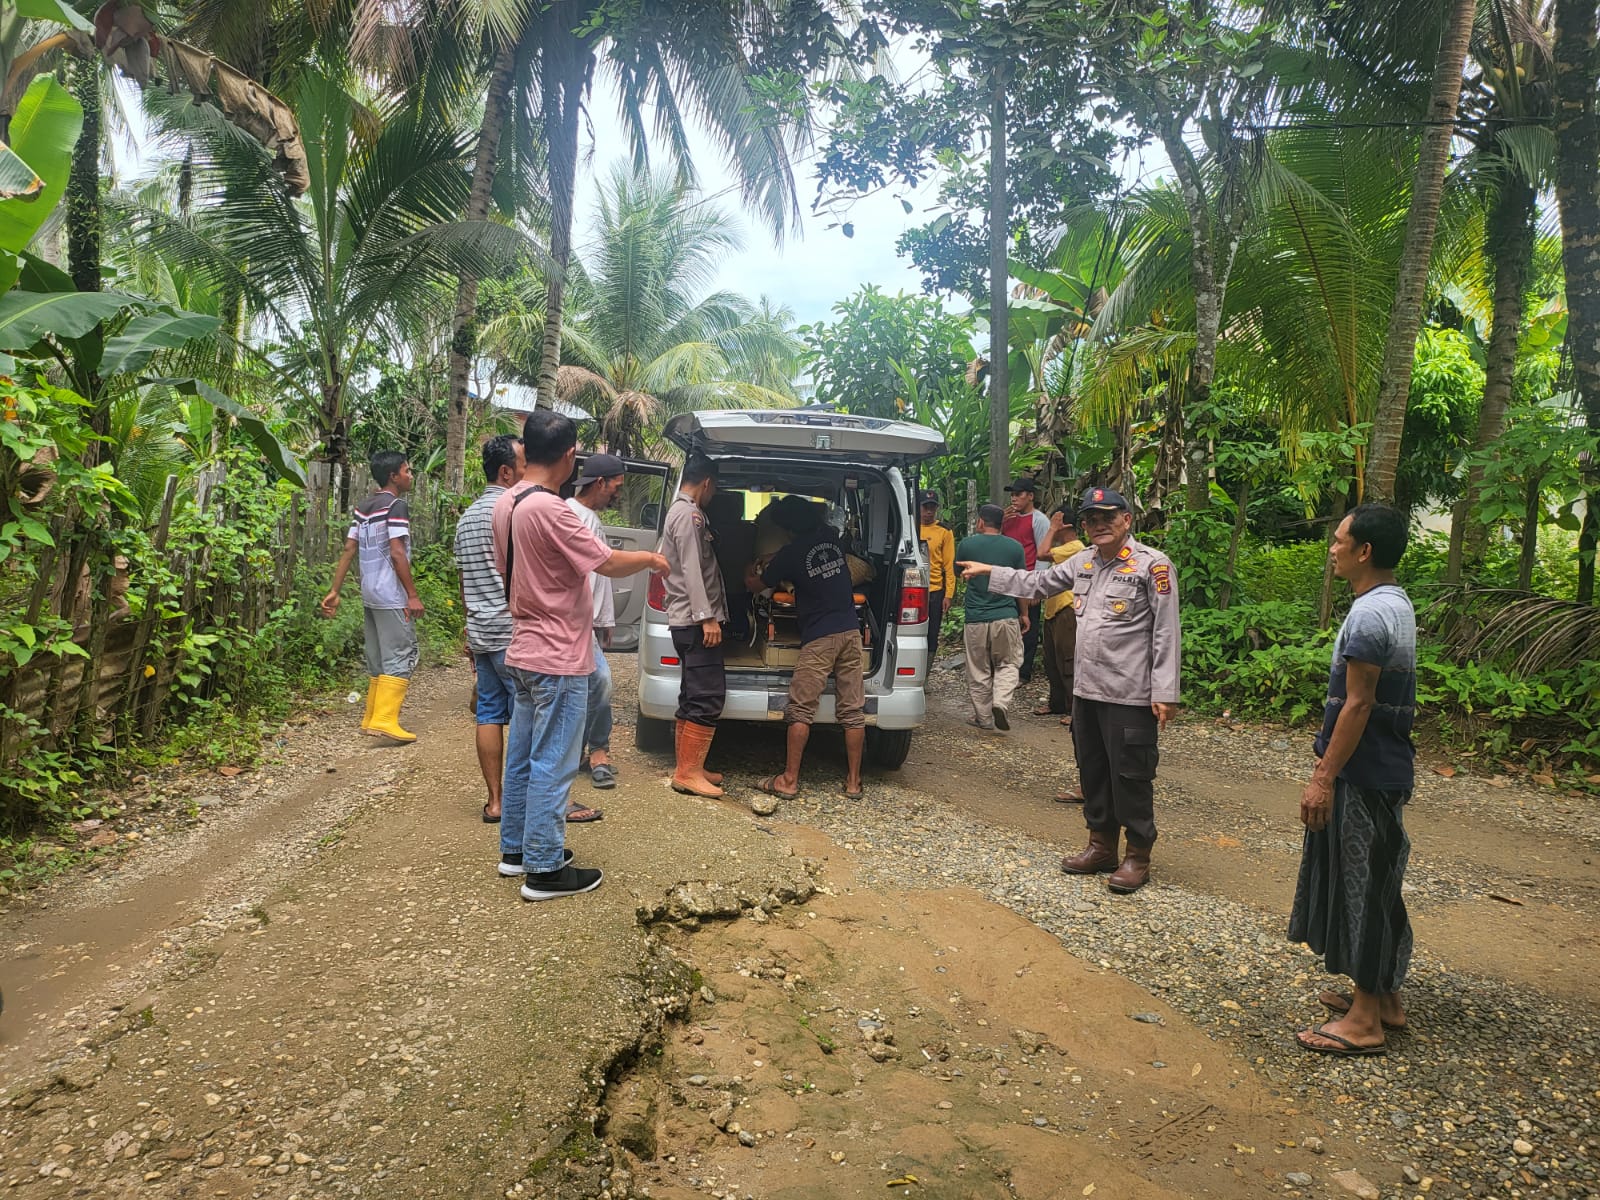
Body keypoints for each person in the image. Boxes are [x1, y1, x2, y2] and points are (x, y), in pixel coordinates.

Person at [958, 487, 1179, 894]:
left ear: (1126, 520)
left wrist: (1164, 691)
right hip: (1087, 691)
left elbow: (1166, 632)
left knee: (1130, 774)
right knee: (1092, 770)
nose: (1099, 525)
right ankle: (1101, 846)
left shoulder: (1153, 566)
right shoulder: (1082, 562)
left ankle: (1137, 855)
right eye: (1092, 519)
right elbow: (1038, 583)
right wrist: (990, 572)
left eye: (1107, 517)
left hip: (1129, 694)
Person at [493, 411, 667, 902]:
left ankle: (517, 852)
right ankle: (545, 869)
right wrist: (653, 558)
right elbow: (607, 563)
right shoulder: (554, 510)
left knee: (524, 756)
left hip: (523, 647)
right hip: (558, 656)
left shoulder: (506, 503)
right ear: (570, 455)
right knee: (555, 761)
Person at [1289, 504, 1417, 1056]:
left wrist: (1323, 777)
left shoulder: (1368, 615)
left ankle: (1365, 1022)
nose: (1333, 547)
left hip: (1364, 773)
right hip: (1385, 768)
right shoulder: (1394, 602)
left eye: (1340, 540)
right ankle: (1384, 998)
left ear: (1365, 551)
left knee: (1362, 885)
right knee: (1379, 880)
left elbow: (1359, 705)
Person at [746, 497, 867, 803]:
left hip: (820, 638)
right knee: (852, 711)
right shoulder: (829, 538)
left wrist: (747, 569)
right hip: (851, 631)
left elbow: (757, 584)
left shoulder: (789, 555)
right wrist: (780, 555)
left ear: (786, 528)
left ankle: (788, 781)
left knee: (801, 709)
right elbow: (807, 555)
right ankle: (854, 783)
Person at [321, 450, 424, 743]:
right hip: (391, 593)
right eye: (407, 471)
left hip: (370, 591)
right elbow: (396, 550)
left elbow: (348, 550)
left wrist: (334, 590)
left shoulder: (364, 507)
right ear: (394, 476)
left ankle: (371, 717)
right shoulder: (396, 506)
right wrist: (412, 594)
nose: (410, 475)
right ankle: (385, 720)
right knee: (401, 653)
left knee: (378, 656)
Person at [453, 434, 522, 821]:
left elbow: (465, 585)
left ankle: (495, 801)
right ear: (506, 471)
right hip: (513, 634)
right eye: (524, 464)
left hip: (481, 632)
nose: (529, 470)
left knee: (490, 714)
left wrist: (470, 628)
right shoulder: (514, 510)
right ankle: (533, 802)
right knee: (529, 716)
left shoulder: (466, 519)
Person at [661, 455, 728, 798]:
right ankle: (688, 773)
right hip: (694, 620)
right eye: (714, 489)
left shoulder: (676, 511)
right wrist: (708, 617)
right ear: (706, 483)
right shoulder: (689, 515)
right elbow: (690, 569)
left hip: (684, 619)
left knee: (691, 694)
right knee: (707, 695)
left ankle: (689, 768)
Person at [567, 453, 627, 803]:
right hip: (575, 622)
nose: (617, 494)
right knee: (599, 681)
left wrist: (604, 620)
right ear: (600, 483)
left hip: (589, 622)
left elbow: (597, 577)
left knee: (589, 684)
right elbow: (589, 574)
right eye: (616, 487)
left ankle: (584, 752)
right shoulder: (575, 515)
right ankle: (597, 750)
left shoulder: (590, 517)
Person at [955, 504, 1027, 731]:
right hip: (1006, 615)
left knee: (979, 668)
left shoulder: (967, 544)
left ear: (981, 522)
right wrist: (1024, 613)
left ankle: (983, 718)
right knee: (1009, 663)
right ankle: (1001, 702)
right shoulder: (1015, 548)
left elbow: (960, 575)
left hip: (976, 617)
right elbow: (1020, 584)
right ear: (1001, 523)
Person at [1036, 506, 1085, 722]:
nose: (1051, 526)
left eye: (1055, 521)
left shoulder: (1075, 547)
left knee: (1068, 660)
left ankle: (1075, 710)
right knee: (1052, 660)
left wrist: (1052, 530)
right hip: (1053, 610)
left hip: (1067, 609)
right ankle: (1057, 703)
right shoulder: (1064, 548)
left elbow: (1042, 553)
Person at [1002, 477, 1051, 683]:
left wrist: (1037, 587)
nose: (1014, 499)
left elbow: (1042, 554)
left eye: (1019, 494)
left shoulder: (1039, 520)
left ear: (1030, 496)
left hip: (1027, 579)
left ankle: (1024, 672)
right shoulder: (1007, 518)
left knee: (1027, 629)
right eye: (1012, 494)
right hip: (1006, 579)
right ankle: (1006, 667)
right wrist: (1001, 520)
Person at [918, 489, 956, 657]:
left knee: (932, 633)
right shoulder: (909, 526)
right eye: (925, 507)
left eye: (932, 507)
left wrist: (948, 594)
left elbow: (949, 565)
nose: (929, 512)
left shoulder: (944, 531)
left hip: (934, 590)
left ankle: (926, 670)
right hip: (913, 587)